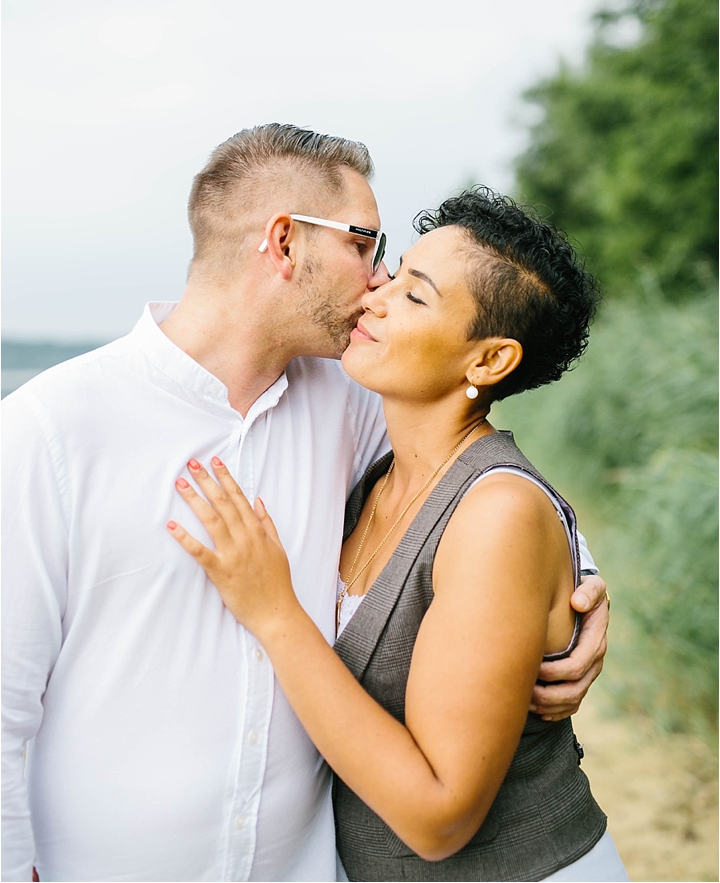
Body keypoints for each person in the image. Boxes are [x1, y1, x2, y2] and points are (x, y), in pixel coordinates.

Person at [2, 126, 607, 883]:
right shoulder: (49, 430)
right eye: (366, 245)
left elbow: (477, 483)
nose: (379, 278)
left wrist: (576, 591)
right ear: (284, 241)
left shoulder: (348, 399)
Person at [167, 188, 628, 882]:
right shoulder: (373, 474)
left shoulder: (496, 512)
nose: (375, 295)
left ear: (489, 361)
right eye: (395, 270)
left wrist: (275, 612)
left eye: (416, 296)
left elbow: (440, 816)